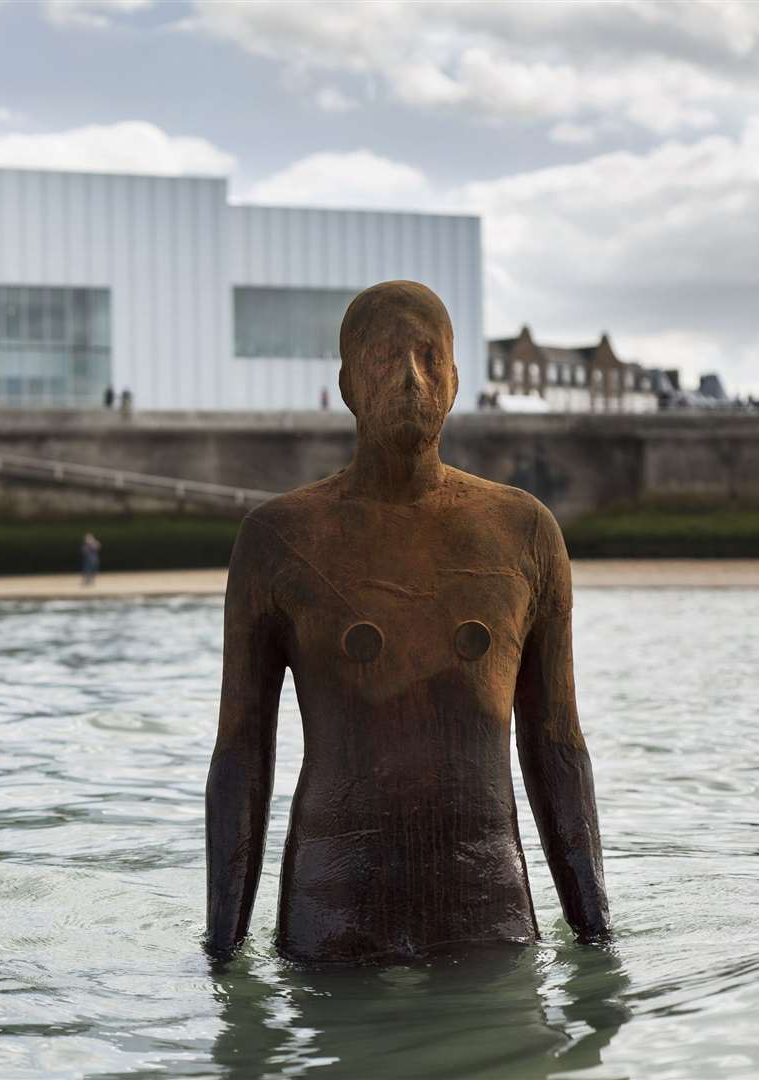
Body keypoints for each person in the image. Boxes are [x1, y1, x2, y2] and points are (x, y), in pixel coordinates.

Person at [206, 280, 609, 964]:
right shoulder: (278, 538)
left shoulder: (522, 531)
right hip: (331, 918)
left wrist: (596, 936)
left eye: (428, 357)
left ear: (453, 378)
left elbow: (557, 746)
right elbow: (242, 753)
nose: (412, 379)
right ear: (347, 383)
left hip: (487, 913)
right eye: (387, 357)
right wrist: (221, 948)